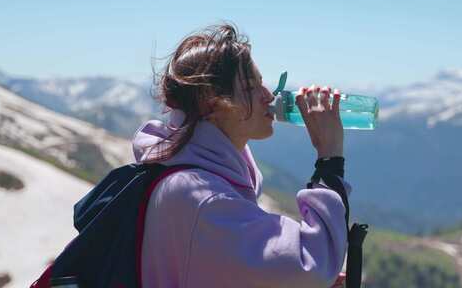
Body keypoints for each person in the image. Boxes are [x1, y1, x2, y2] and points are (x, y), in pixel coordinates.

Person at [133, 23, 350, 288]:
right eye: (250, 87)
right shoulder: (204, 196)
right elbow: (312, 265)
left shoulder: (198, 180)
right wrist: (330, 159)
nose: (268, 95)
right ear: (211, 104)